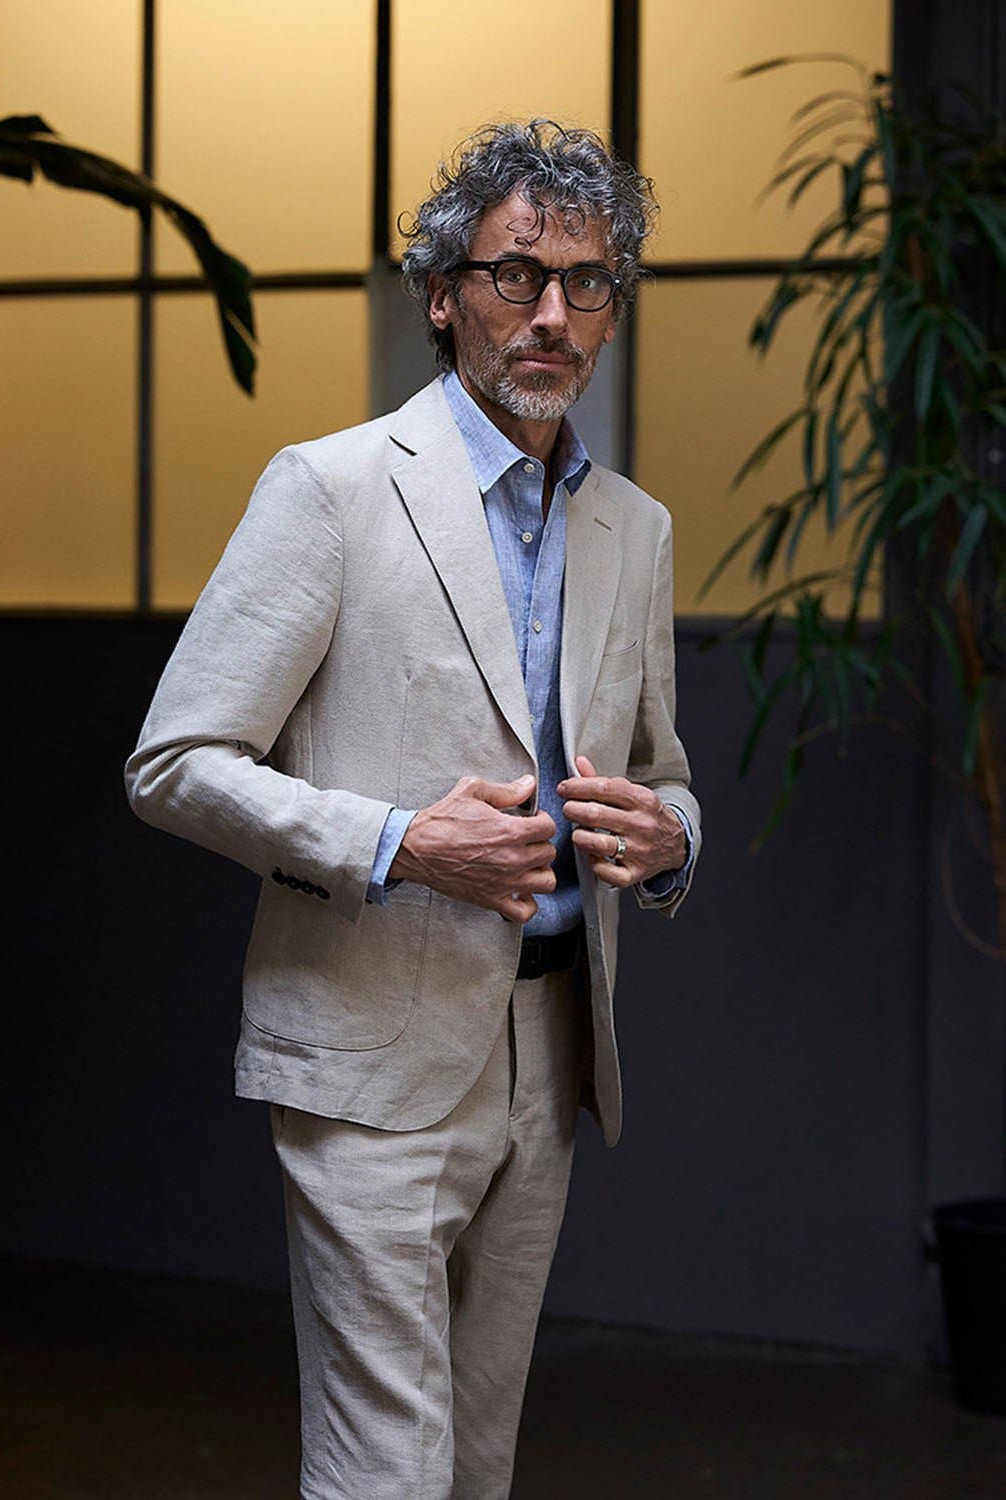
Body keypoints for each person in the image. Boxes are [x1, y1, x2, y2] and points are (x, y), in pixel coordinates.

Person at [125, 118, 700, 1500]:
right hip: (367, 1045)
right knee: (386, 1467)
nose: (552, 314)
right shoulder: (328, 489)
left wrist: (672, 835)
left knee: (477, 1463)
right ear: (443, 295)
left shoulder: (634, 528)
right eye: (516, 275)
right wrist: (396, 843)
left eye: (587, 282)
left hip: (549, 1053)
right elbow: (175, 760)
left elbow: (662, 769)